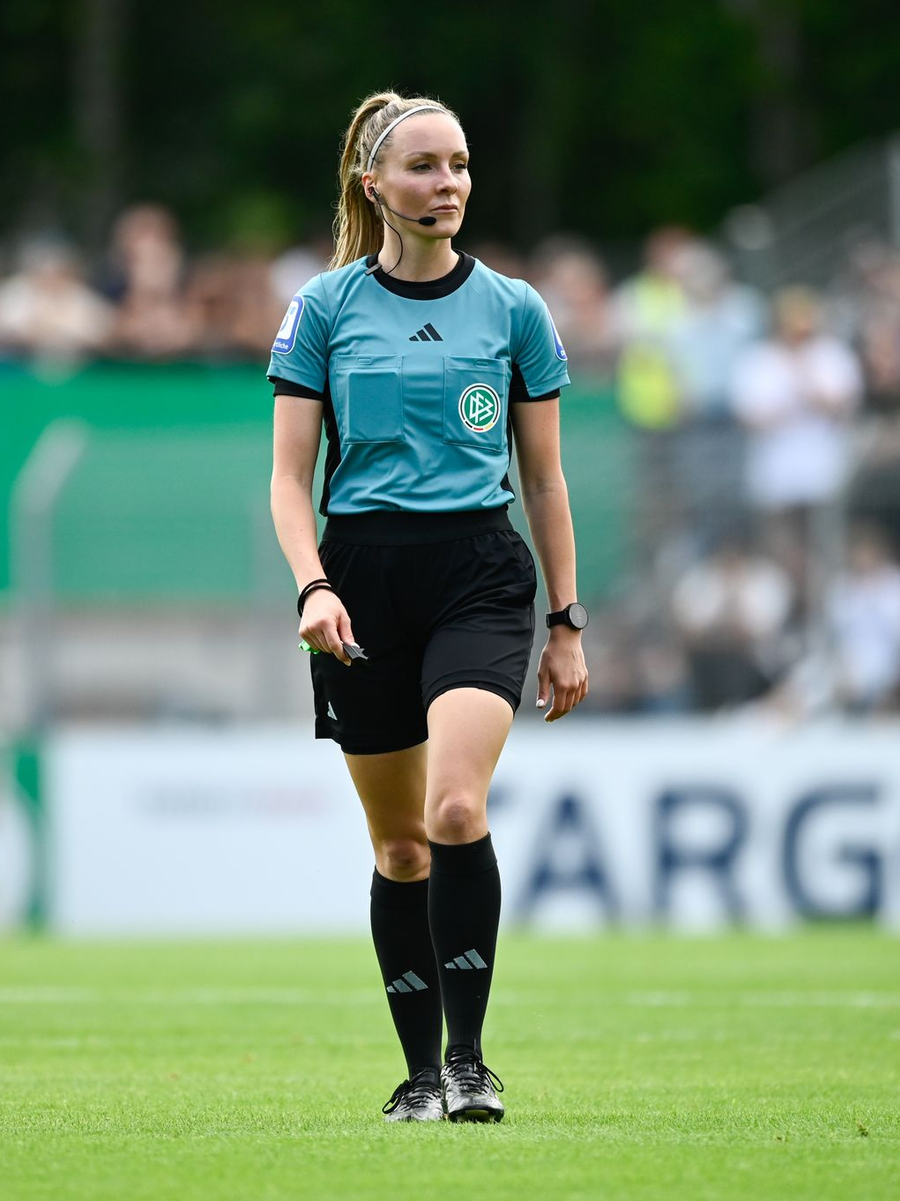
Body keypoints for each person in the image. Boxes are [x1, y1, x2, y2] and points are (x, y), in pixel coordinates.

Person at [267, 92, 588, 1123]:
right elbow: (286, 477)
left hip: (479, 575)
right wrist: (314, 584)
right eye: (423, 168)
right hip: (362, 578)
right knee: (401, 846)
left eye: (457, 165)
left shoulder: (516, 309)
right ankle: (413, 1074)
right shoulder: (322, 309)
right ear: (375, 185)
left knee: (456, 807)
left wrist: (567, 622)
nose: (446, 184)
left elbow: (543, 480)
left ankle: (468, 1062)